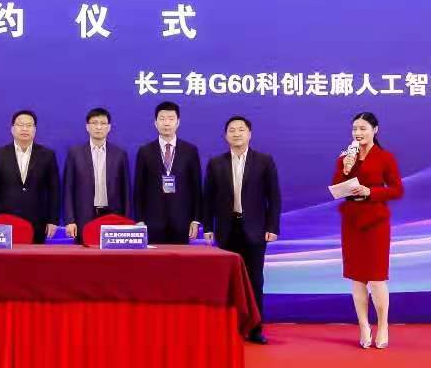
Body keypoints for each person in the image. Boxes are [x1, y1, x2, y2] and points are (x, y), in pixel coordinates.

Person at [203, 115, 281, 344]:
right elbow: (208, 198)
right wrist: (208, 226)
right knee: (227, 281)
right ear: (225, 135)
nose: (236, 134)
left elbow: (274, 197)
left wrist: (272, 226)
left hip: (255, 230)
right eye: (232, 130)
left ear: (249, 134)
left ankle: (255, 328)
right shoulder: (216, 163)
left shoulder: (264, 161)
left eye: (241, 129)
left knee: (255, 280)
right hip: (227, 229)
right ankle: (230, 326)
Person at [332, 110, 403, 349]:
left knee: (376, 276)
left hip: (375, 221)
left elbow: (397, 189)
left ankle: (382, 325)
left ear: (375, 130)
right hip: (352, 221)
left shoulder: (385, 157)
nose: (358, 133)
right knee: (357, 277)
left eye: (363, 128)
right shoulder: (345, 157)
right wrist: (345, 169)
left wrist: (370, 191)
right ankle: (363, 325)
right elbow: (335, 188)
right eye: (355, 129)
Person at [0, 109, 59, 244]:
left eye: (29, 125)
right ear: (12, 129)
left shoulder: (47, 155)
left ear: (35, 130)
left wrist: (53, 220)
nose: (24, 129)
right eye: (20, 125)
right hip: (4, 221)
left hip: (37, 221)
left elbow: (54, 190)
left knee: (34, 257)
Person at [133, 100, 203, 245]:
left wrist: (195, 219)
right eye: (162, 119)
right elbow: (139, 188)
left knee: (180, 259)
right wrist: (139, 220)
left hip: (182, 221)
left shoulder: (190, 151)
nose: (166, 123)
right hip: (152, 221)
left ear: (178, 122)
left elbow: (196, 188)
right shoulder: (145, 151)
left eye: (171, 119)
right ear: (155, 123)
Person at [62, 106, 132, 243]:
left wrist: (127, 220)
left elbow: (126, 190)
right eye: (94, 123)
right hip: (83, 216)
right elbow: (68, 189)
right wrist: (70, 220)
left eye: (103, 123)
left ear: (109, 127)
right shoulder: (75, 153)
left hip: (113, 216)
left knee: (113, 255)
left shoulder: (119, 154)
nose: (99, 127)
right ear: (87, 127)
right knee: (85, 254)